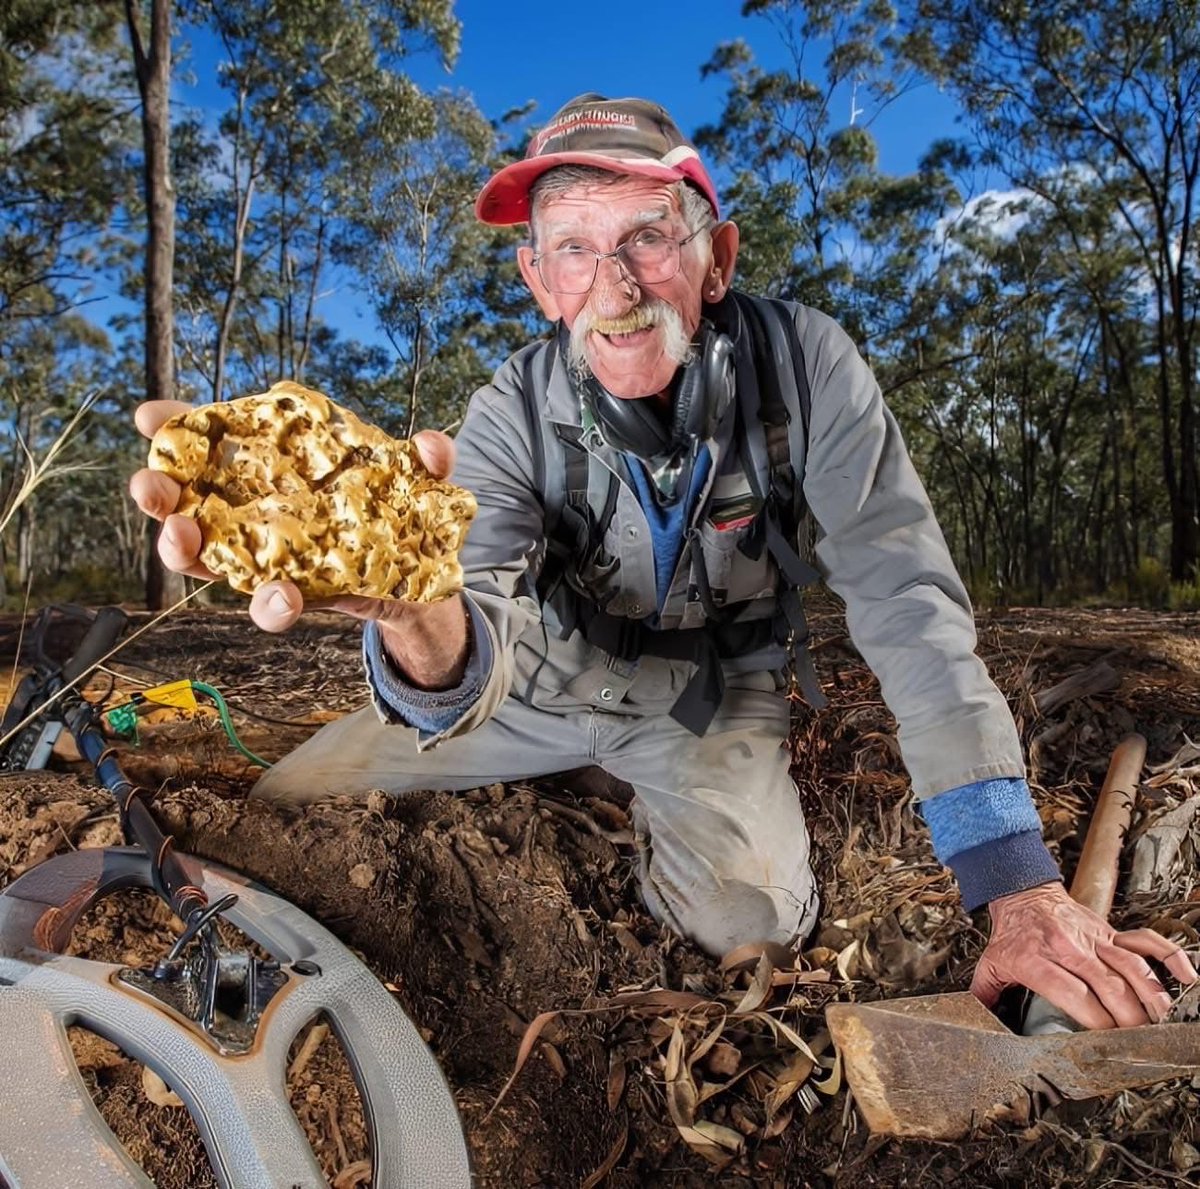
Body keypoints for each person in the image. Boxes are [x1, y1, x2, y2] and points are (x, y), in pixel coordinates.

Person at [131, 93, 1195, 1027]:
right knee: (278, 809)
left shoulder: (806, 366)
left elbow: (906, 597)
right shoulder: (510, 409)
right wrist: (412, 611)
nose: (616, 284)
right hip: (536, 676)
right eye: (576, 249)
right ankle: (574, 760)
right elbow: (477, 608)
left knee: (753, 919)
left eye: (651, 237)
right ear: (538, 278)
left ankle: (644, 785)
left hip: (711, 692)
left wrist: (1015, 881)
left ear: (715, 258)